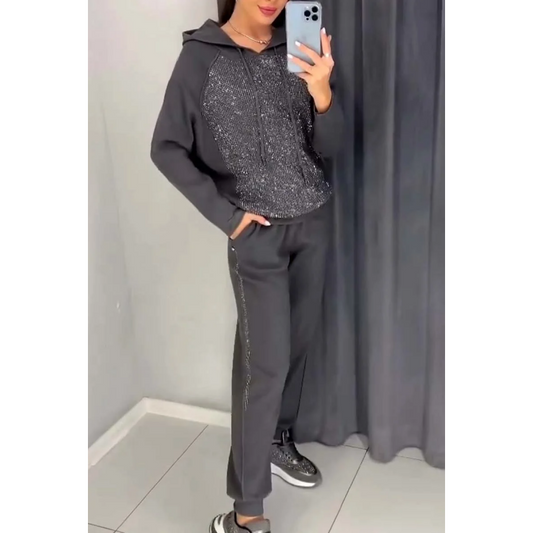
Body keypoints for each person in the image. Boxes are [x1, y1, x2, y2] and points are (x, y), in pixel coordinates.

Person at [151, 1, 341, 531]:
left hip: (313, 224)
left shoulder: (297, 46)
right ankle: (247, 513)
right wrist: (228, 217)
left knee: (297, 347)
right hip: (257, 238)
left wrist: (323, 93)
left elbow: (334, 146)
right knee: (264, 368)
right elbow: (166, 148)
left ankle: (277, 441)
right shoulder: (200, 57)